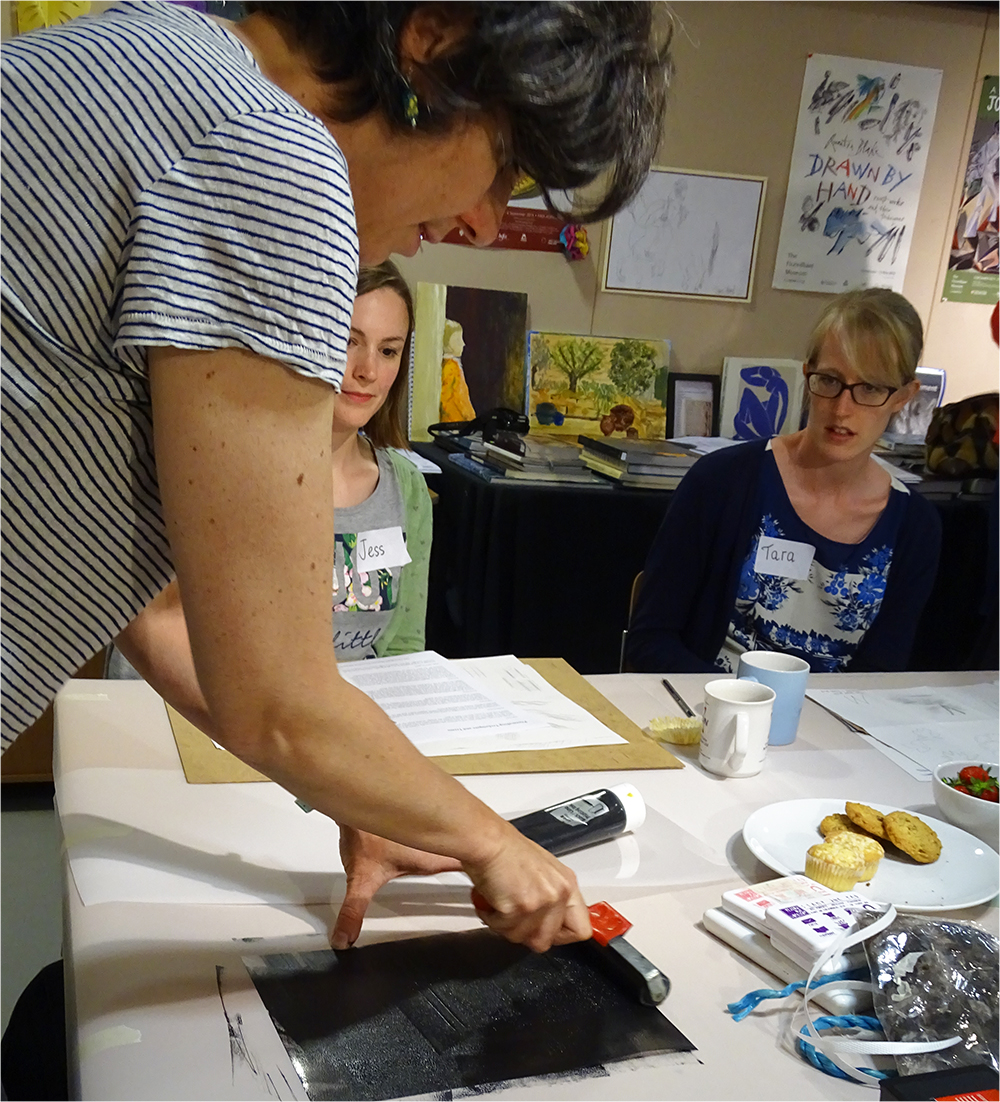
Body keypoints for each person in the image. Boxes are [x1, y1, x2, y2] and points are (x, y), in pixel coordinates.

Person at [2, 1, 672, 953]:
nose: (485, 224)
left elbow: (158, 617)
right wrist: (493, 842)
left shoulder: (151, 43)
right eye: (508, 166)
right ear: (432, 43)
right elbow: (276, 696)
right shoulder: (276, 159)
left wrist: (365, 799)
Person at [113, 261, 432, 723]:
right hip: (224, 725)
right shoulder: (230, 466)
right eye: (349, 341)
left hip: (345, 736)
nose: (366, 371)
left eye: (388, 351)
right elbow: (156, 639)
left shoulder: (407, 488)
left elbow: (403, 652)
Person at [627, 288, 942, 675]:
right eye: (829, 380)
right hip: (711, 711)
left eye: (871, 388)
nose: (843, 408)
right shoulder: (721, 483)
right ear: (807, 372)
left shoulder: (914, 527)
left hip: (831, 728)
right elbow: (649, 643)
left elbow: (879, 680)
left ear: (904, 396)